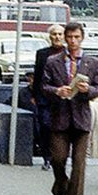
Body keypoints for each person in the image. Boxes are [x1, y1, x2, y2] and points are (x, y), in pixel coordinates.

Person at [42, 22, 98, 195]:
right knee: (58, 159)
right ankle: (61, 185)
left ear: (82, 37)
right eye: (69, 37)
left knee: (79, 163)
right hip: (59, 117)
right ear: (65, 39)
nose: (73, 41)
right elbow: (44, 86)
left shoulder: (91, 62)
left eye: (76, 37)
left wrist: (89, 91)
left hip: (81, 118)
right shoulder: (53, 61)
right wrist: (57, 91)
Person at [32, 24, 65, 170]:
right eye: (54, 34)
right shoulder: (42, 54)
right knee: (45, 126)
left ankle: (59, 157)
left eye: (60, 34)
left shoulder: (68, 53)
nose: (57, 37)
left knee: (61, 129)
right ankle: (47, 157)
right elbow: (37, 76)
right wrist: (35, 95)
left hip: (63, 98)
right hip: (45, 98)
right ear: (49, 36)